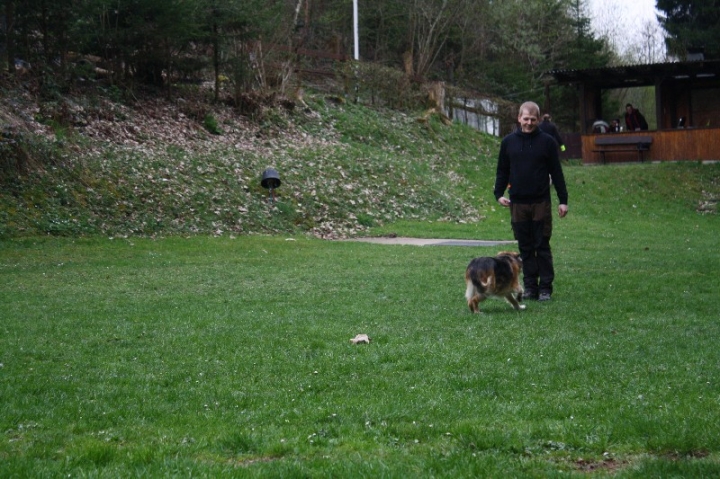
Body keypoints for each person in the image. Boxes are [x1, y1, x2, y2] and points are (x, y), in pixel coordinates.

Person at [494, 101, 568, 302]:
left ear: (538, 120)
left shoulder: (548, 142)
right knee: (525, 247)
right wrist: (498, 193)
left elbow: (557, 173)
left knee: (541, 245)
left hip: (540, 203)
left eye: (532, 120)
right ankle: (529, 287)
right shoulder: (508, 142)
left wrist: (563, 200)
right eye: (525, 119)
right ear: (519, 118)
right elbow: (502, 170)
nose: (528, 123)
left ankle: (545, 288)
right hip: (517, 203)